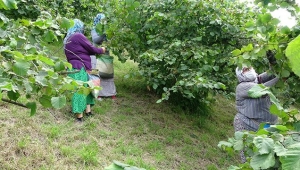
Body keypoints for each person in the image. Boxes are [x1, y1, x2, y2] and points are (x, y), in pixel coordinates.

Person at [63, 19, 106, 122]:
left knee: (85, 89)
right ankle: (79, 117)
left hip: (73, 68)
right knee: (81, 91)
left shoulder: (68, 39)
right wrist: (102, 50)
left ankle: (88, 111)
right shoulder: (78, 36)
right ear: (79, 26)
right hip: (80, 67)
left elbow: (82, 51)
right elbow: (91, 48)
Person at [234, 66, 279, 162]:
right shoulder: (242, 87)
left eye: (249, 68)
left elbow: (272, 72)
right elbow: (262, 90)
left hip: (267, 127)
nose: (249, 70)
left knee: (267, 158)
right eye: (245, 70)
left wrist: (276, 62)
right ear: (240, 74)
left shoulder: (257, 80)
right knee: (249, 158)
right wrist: (280, 78)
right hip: (247, 125)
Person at [91, 13, 117, 100]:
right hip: (97, 55)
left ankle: (111, 93)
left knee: (108, 73)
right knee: (97, 73)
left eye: (104, 20)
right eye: (102, 20)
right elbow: (96, 40)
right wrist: (104, 34)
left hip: (105, 54)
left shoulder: (107, 29)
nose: (103, 22)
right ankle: (98, 94)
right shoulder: (94, 29)